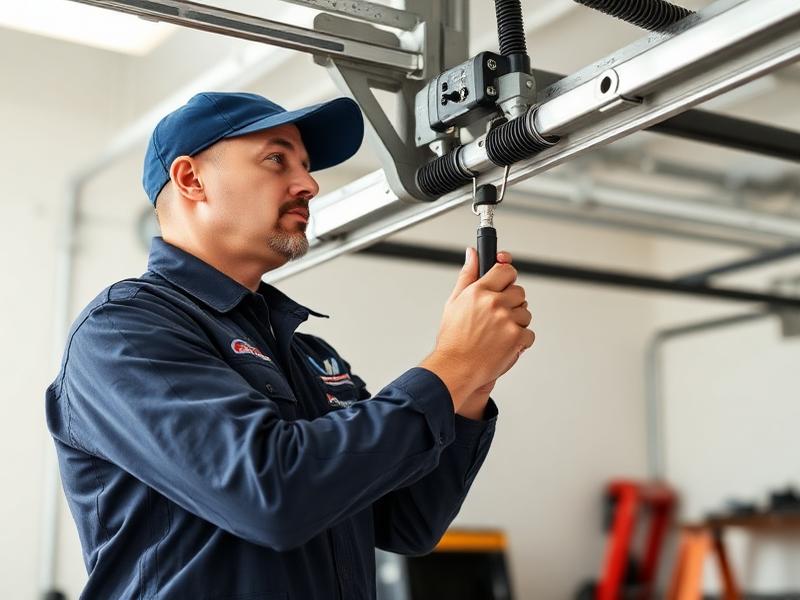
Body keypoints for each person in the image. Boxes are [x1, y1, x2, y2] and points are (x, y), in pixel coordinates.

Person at [45, 91, 534, 599]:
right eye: (276, 159)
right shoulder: (125, 332)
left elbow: (405, 520)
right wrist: (452, 364)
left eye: (304, 165)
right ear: (191, 179)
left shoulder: (308, 354)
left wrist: (475, 376)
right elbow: (271, 495)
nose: (309, 184)